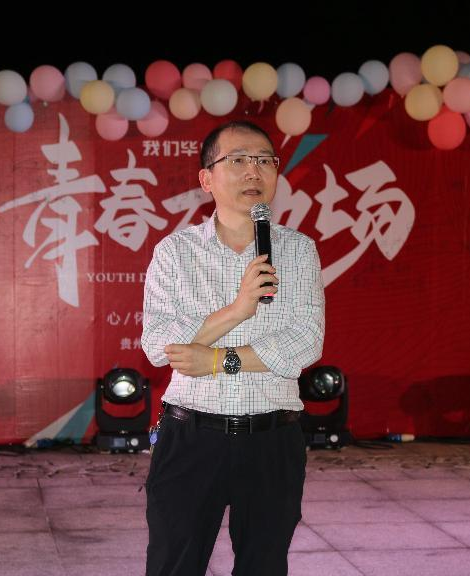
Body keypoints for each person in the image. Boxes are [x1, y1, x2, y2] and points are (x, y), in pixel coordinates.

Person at [141, 120, 326, 576]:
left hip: (273, 440)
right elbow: (159, 345)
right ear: (206, 179)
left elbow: (306, 341)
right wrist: (238, 310)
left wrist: (217, 359)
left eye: (265, 161)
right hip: (191, 437)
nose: (253, 172)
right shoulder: (175, 252)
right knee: (173, 565)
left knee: (264, 566)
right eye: (238, 160)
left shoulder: (298, 250)